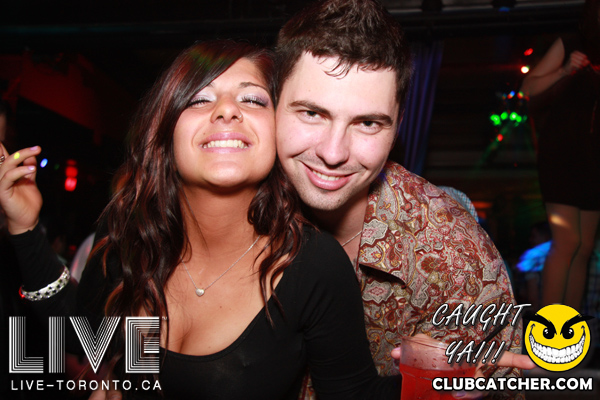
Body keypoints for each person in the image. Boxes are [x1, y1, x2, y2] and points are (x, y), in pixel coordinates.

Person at [0, 40, 398, 399]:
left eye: (252, 100)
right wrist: (24, 227)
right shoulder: (133, 233)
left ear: (280, 131)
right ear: (166, 133)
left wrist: (428, 379)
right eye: (198, 99)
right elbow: (80, 338)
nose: (226, 110)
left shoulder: (313, 265)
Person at [273, 0, 530, 399]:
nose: (333, 152)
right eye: (311, 113)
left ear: (398, 128)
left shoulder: (454, 257)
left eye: (368, 123)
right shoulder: (223, 205)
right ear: (272, 103)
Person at [521, 0, 600, 309]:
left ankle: (571, 325)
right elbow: (528, 87)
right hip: (563, 154)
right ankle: (551, 325)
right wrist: (565, 70)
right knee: (567, 243)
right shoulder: (571, 43)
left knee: (584, 247)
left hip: (595, 159)